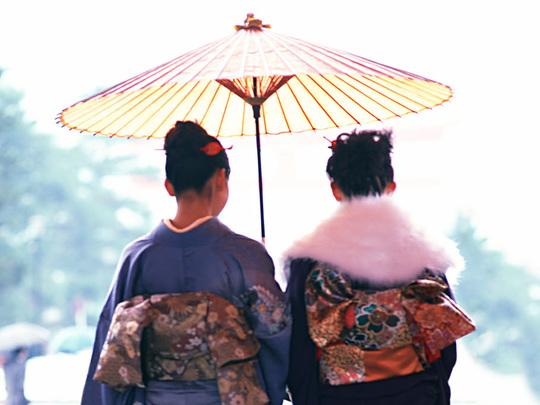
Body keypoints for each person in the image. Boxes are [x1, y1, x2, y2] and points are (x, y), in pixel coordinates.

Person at [81, 121, 291, 405]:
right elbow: (275, 338)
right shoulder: (245, 255)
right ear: (221, 179)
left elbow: (112, 344)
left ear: (169, 185)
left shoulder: (136, 257)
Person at [284, 129, 474, 405]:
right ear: (391, 186)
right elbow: (444, 344)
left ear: (335, 189)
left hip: (340, 397)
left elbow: (299, 349)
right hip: (415, 391)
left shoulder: (310, 259)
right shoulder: (423, 253)